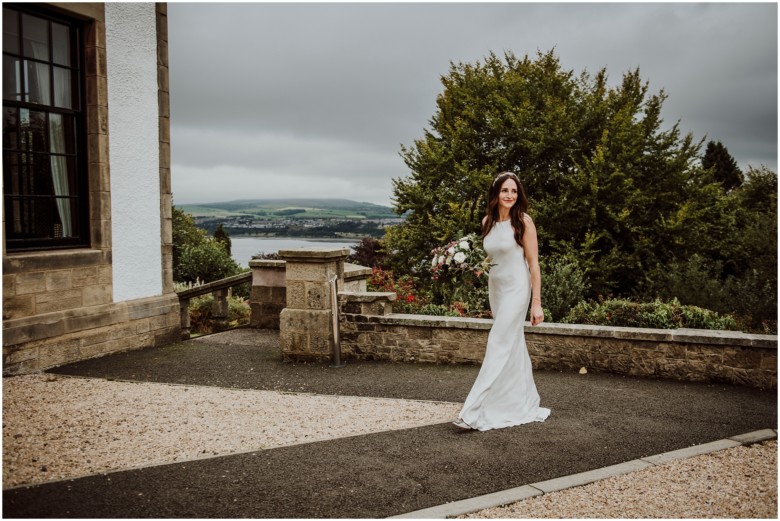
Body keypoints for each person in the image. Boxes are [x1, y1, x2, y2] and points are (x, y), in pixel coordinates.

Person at [453, 171, 551, 431]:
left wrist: (536, 303)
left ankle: (472, 411)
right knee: (512, 344)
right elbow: (492, 256)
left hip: (518, 288)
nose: (509, 195)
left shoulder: (523, 222)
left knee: (497, 342)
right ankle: (518, 403)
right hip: (496, 288)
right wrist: (475, 267)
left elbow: (534, 264)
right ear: (496, 193)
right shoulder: (488, 221)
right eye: (505, 190)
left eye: (514, 191)